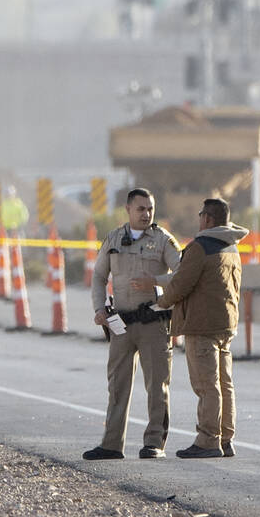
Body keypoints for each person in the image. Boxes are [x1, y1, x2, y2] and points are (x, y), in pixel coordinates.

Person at [84, 188, 181, 461]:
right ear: (128, 209)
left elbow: (182, 271)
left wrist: (157, 281)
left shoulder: (162, 240)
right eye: (141, 209)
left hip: (152, 321)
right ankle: (111, 444)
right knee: (117, 385)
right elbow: (99, 276)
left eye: (150, 209)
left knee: (156, 385)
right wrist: (99, 308)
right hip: (121, 324)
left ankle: (154, 443)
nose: (146, 214)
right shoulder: (114, 239)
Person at [155, 197, 248, 459]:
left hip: (202, 325)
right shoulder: (231, 246)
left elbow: (182, 283)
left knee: (206, 385)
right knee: (224, 383)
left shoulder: (200, 247)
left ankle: (208, 440)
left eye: (200, 215)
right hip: (226, 323)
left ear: (207, 218)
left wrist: (161, 302)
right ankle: (225, 438)